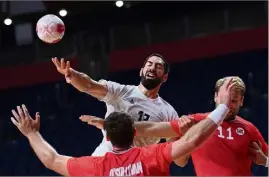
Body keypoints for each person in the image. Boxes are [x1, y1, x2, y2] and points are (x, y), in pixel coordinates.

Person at [11, 78, 236, 176]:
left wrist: (32, 133)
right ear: (135, 132)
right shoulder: (151, 156)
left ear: (107, 138)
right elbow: (192, 141)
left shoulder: (96, 167)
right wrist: (224, 106)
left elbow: (52, 160)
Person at [83, 76, 269, 175]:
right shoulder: (195, 121)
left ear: (242, 101)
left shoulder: (248, 129)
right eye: (225, 99)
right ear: (215, 97)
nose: (229, 105)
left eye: (234, 101)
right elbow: (154, 130)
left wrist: (265, 161)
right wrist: (111, 125)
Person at [51, 54, 181, 156]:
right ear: (141, 71)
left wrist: (186, 133)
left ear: (164, 77)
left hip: (134, 166)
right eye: (149, 64)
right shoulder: (121, 91)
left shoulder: (168, 112)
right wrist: (72, 75)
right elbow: (89, 85)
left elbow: (177, 156)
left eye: (158, 67)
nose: (152, 68)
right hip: (105, 158)